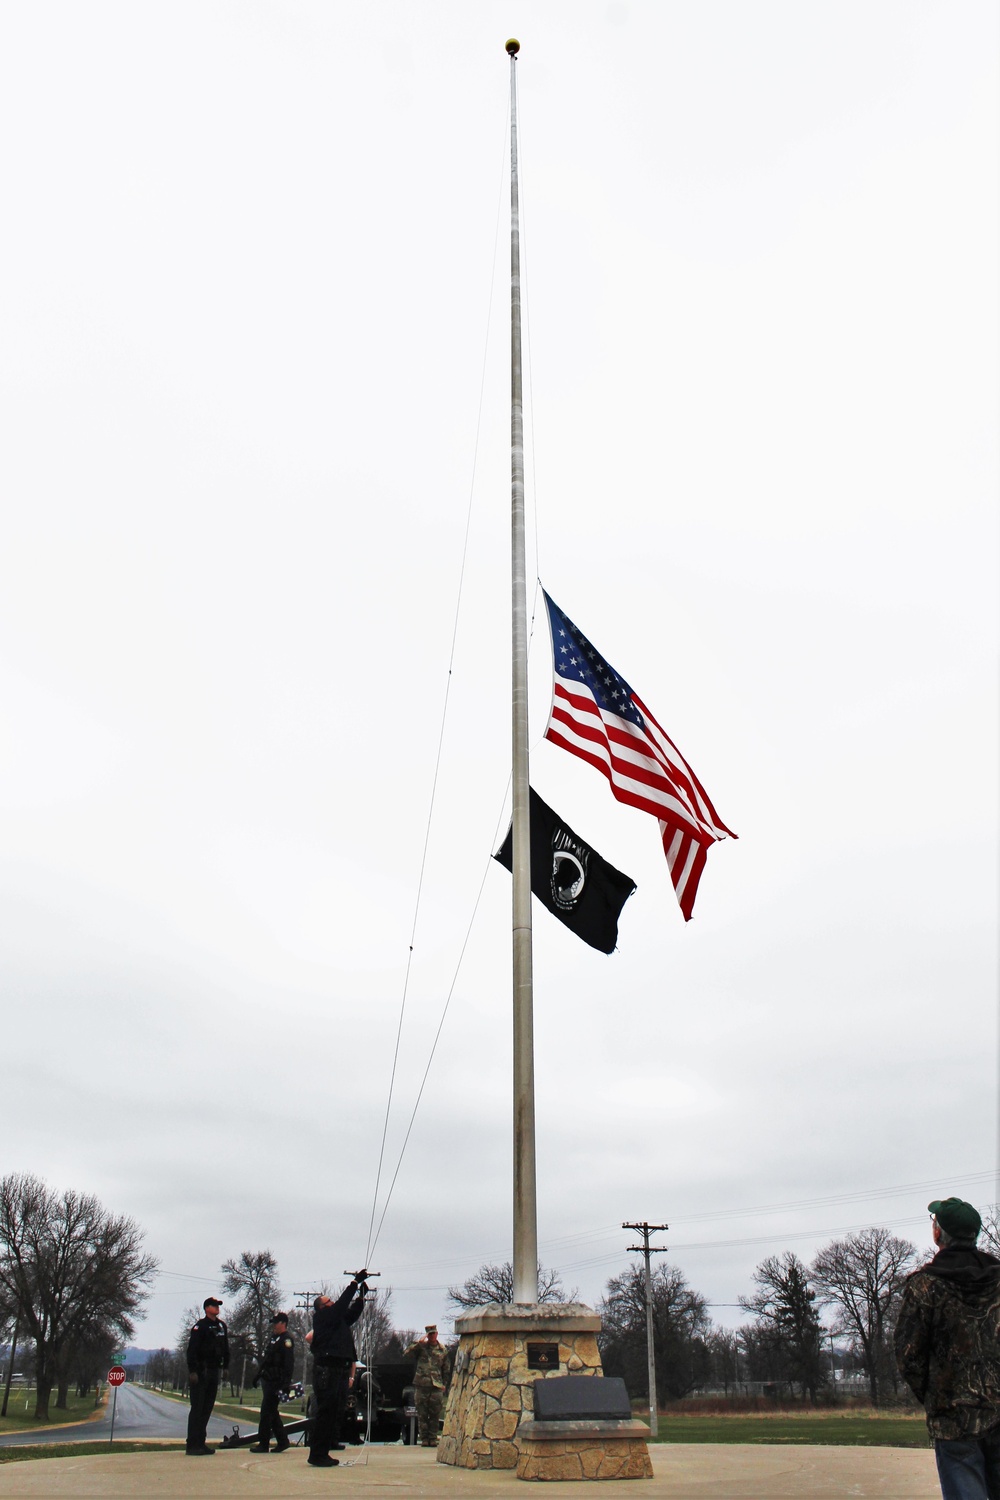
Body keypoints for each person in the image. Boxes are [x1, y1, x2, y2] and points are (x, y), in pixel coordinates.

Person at [895, 1197, 1000, 1500]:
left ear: (938, 1233)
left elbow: (908, 1356)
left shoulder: (925, 1287)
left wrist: (936, 1397)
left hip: (954, 1421)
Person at [308, 1272, 367, 1468]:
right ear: (322, 1308)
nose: (333, 1303)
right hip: (327, 1370)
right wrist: (354, 1283)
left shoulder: (335, 1321)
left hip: (338, 1370)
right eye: (329, 1301)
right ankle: (317, 1454)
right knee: (325, 1413)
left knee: (333, 1413)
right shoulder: (323, 1318)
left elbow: (350, 1314)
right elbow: (342, 1306)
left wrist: (360, 1298)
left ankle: (324, 1451)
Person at [186, 1296, 230, 1456]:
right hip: (201, 1371)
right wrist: (193, 1371)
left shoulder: (221, 1326)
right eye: (213, 1305)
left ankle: (201, 1442)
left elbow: (226, 1348)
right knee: (197, 1408)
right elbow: (192, 1351)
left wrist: (225, 1367)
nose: (217, 1308)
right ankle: (192, 1444)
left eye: (218, 1305)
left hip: (214, 1370)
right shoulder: (200, 1326)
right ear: (206, 1308)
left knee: (207, 1408)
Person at [249, 1312, 295, 1454]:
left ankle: (263, 1444)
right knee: (272, 1412)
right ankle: (282, 1441)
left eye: (276, 1323)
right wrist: (258, 1375)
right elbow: (267, 1360)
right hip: (268, 1379)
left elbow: (289, 1363)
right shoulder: (274, 1338)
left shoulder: (287, 1340)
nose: (274, 1326)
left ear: (283, 1323)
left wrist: (285, 1383)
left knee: (266, 1412)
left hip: (277, 1381)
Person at [403, 1324, 449, 1447]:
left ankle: (432, 1438)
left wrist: (444, 1384)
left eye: (434, 1333)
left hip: (436, 1386)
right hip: (421, 1385)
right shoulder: (421, 1348)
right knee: (422, 1414)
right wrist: (419, 1342)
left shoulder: (442, 1349)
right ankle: (424, 1438)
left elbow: (446, 1368)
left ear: (437, 1334)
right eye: (430, 1334)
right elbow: (407, 1353)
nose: (432, 1336)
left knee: (435, 1413)